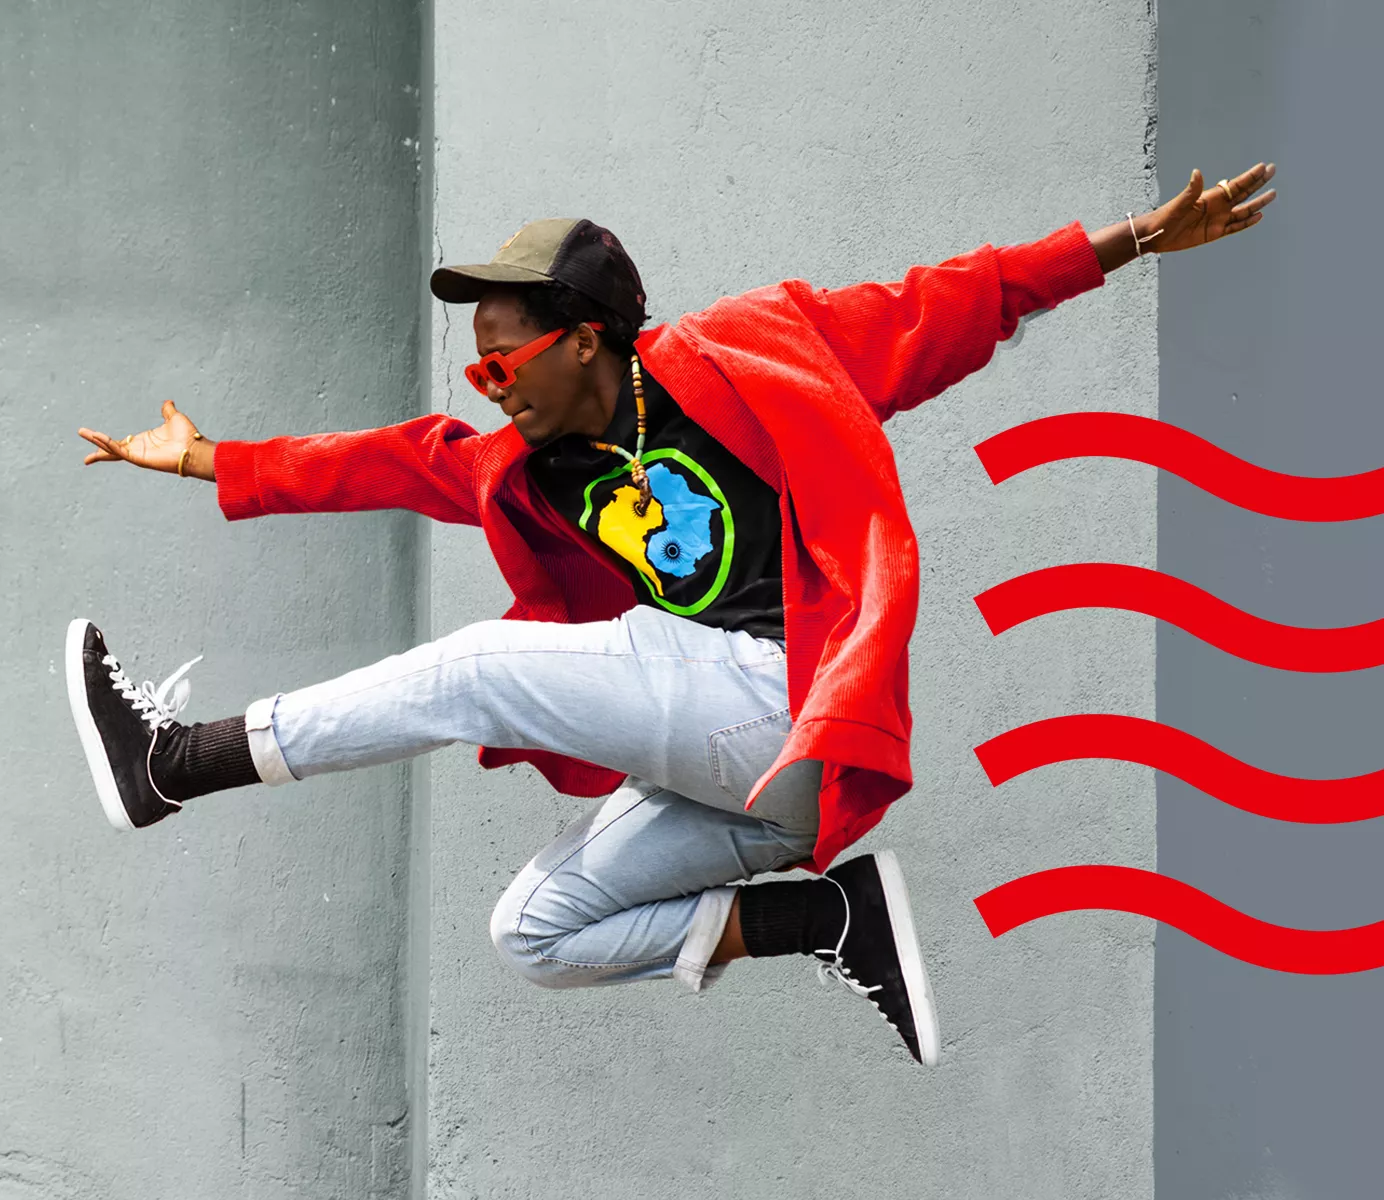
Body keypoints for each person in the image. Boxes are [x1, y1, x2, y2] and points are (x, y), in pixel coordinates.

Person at [63, 164, 1278, 1065]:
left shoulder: (750, 353)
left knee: (483, 663)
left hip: (789, 704)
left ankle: (179, 761)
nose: (485, 389)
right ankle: (827, 913)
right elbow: (385, 461)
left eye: (499, 365)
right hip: (750, 801)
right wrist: (209, 460)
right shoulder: (528, 470)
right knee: (530, 932)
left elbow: (942, 305)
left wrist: (1124, 242)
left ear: (583, 340)